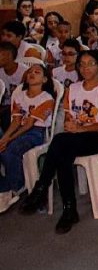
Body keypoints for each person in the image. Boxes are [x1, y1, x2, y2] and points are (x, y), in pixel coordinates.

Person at [20, 50, 98, 234]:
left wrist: (81, 128)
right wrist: (70, 125)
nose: (85, 68)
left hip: (97, 136)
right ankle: (68, 208)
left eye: (91, 64)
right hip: (73, 137)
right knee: (63, 153)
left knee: (59, 143)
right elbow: (67, 117)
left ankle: (43, 188)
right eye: (82, 64)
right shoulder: (72, 89)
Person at [0, 61, 55, 213]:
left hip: (35, 132)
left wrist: (9, 140)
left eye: (37, 72)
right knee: (2, 149)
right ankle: (6, 185)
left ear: (45, 79)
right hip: (20, 129)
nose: (32, 74)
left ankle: (14, 187)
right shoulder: (20, 95)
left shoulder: (46, 98)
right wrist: (4, 138)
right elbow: (16, 121)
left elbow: (29, 124)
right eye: (30, 71)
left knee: (10, 150)